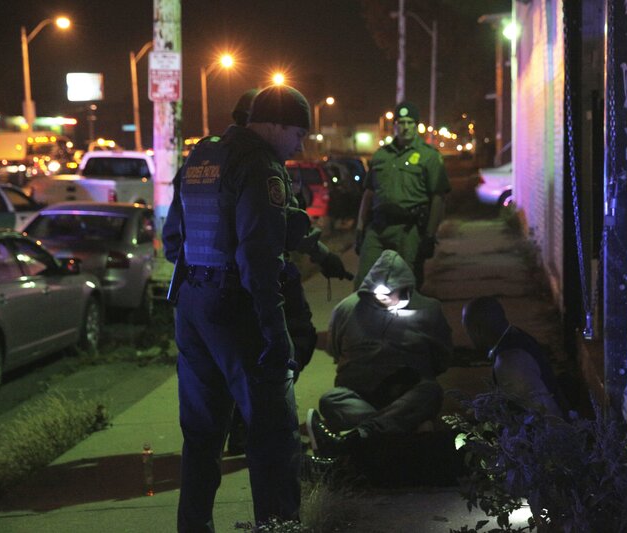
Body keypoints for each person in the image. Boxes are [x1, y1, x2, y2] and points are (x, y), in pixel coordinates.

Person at [163, 85, 312, 531]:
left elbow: (173, 241)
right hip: (239, 311)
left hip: (192, 307)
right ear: (276, 126)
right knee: (273, 435)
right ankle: (278, 527)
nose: (300, 147)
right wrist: (276, 331)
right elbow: (258, 259)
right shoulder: (260, 165)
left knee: (202, 437)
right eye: (298, 135)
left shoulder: (202, 157)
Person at [306, 249, 452, 457]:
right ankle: (400, 429)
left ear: (404, 287)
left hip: (407, 394)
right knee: (331, 400)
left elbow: (442, 358)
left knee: (430, 392)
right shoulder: (346, 309)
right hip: (360, 397)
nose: (382, 297)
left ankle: (360, 435)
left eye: (389, 292)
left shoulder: (428, 310)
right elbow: (336, 350)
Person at [354, 101, 450, 289]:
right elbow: (368, 194)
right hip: (378, 228)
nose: (405, 127)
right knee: (364, 285)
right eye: (401, 122)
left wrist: (430, 235)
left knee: (406, 286)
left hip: (408, 230)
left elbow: (438, 199)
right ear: (394, 126)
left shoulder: (429, 156)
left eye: (409, 122)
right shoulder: (381, 155)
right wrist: (360, 228)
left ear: (416, 125)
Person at [462, 296, 567, 418]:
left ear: (477, 330)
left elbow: (541, 414)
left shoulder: (509, 362)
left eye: (467, 330)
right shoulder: (516, 337)